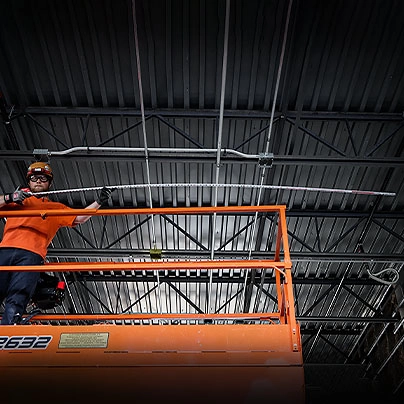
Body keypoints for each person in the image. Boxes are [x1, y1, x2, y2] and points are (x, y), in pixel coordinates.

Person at [0, 161, 114, 325]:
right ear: (28, 181)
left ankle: (9, 327)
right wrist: (10, 197)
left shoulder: (55, 208)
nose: (38, 181)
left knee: (19, 294)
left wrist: (99, 201)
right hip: (5, 250)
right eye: (34, 178)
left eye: (43, 178)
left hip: (32, 255)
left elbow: (79, 218)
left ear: (49, 183)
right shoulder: (15, 202)